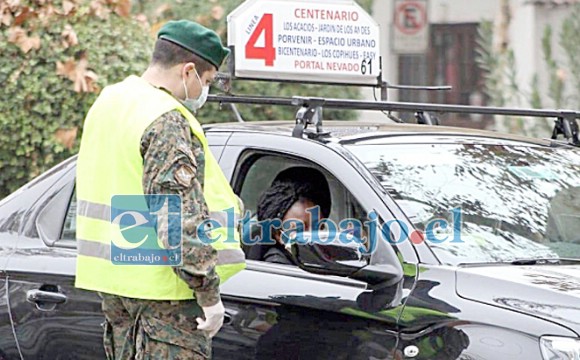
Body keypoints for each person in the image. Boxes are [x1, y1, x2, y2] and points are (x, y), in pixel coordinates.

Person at [75, 20, 246, 359]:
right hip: (165, 294)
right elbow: (176, 213)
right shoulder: (165, 118)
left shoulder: (109, 102)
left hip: (116, 288)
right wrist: (208, 294)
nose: (205, 91)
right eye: (207, 81)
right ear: (188, 72)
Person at [247, 167, 331, 265]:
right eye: (300, 229)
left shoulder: (312, 263)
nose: (311, 237)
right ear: (278, 234)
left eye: (318, 228)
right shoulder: (278, 266)